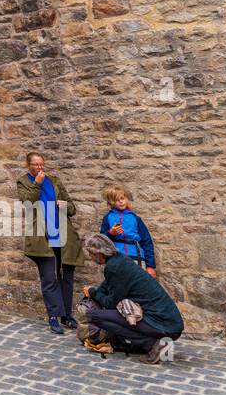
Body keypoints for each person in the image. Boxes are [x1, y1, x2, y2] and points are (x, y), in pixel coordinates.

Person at [81, 234, 183, 363]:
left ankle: (152, 344)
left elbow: (111, 303)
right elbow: (106, 285)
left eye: (91, 254)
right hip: (169, 323)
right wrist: (94, 291)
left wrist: (92, 292)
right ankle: (149, 344)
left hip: (165, 325)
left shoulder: (114, 267)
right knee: (110, 315)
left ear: (99, 253)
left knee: (94, 316)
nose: (90, 257)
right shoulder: (119, 260)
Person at [17, 151, 82, 334]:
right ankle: (53, 316)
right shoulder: (23, 182)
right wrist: (36, 184)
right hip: (41, 236)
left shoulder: (54, 181)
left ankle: (66, 315)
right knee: (49, 277)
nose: (39, 168)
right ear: (28, 165)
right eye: (35, 165)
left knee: (66, 275)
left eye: (41, 164)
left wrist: (64, 206)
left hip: (62, 233)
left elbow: (72, 208)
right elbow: (27, 202)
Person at [99, 184, 158, 277]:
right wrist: (111, 233)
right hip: (116, 259)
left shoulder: (135, 218)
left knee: (138, 288)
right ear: (112, 202)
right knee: (118, 288)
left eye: (122, 198)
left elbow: (147, 242)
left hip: (136, 258)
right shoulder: (108, 218)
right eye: (117, 200)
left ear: (126, 198)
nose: (121, 202)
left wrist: (150, 266)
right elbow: (101, 241)